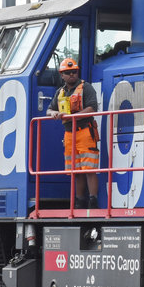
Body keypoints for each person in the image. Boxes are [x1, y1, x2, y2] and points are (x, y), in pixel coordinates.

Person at [51, 57, 99, 209]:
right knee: (75, 170)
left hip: (85, 131)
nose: (71, 74)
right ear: (62, 75)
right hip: (69, 134)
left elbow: (92, 107)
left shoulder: (86, 88)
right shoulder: (60, 92)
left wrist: (75, 116)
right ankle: (79, 201)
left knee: (89, 168)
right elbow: (49, 109)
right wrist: (53, 113)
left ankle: (93, 201)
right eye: (67, 72)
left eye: (74, 72)